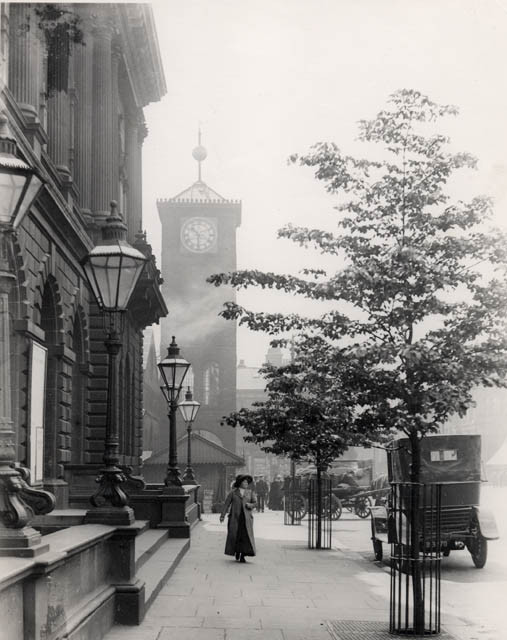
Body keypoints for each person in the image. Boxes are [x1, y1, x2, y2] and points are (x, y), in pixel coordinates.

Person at [219, 474, 257, 563]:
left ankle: (243, 555)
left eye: (247, 482)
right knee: (236, 536)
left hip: (246, 520)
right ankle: (237, 551)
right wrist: (222, 515)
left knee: (245, 537)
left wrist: (250, 505)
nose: (246, 483)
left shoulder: (250, 492)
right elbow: (226, 504)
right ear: (240, 483)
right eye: (244, 482)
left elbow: (255, 503)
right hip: (235, 519)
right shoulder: (233, 493)